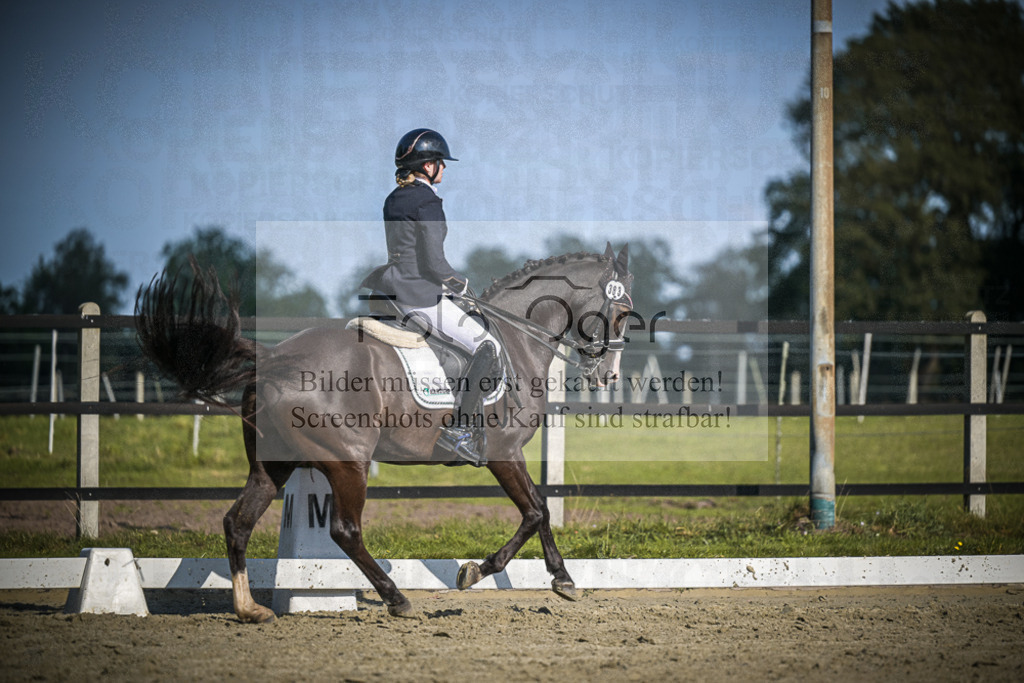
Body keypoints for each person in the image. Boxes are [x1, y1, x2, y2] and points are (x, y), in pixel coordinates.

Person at [361, 128, 501, 467]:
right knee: (487, 345)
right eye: (441, 162)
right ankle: (460, 431)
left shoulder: (393, 198)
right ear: (428, 166)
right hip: (420, 295)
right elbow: (435, 263)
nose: (444, 168)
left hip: (392, 291)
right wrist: (461, 285)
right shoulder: (428, 201)